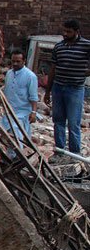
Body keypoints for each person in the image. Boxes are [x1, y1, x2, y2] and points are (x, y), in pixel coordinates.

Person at [45, 20, 90, 155]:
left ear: (77, 32)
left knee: (73, 122)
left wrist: (86, 72)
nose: (65, 34)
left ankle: (74, 154)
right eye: (64, 31)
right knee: (58, 120)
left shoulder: (86, 45)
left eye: (68, 32)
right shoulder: (59, 47)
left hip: (75, 88)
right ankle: (60, 151)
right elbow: (52, 69)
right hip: (58, 87)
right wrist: (48, 91)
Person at [1, 50, 39, 146]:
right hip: (9, 111)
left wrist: (33, 112)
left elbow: (33, 97)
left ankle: (17, 157)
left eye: (18, 61)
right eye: (13, 61)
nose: (15, 64)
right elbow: (6, 91)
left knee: (16, 135)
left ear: (24, 61)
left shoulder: (30, 76)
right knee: (2, 134)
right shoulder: (9, 73)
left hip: (22, 113)